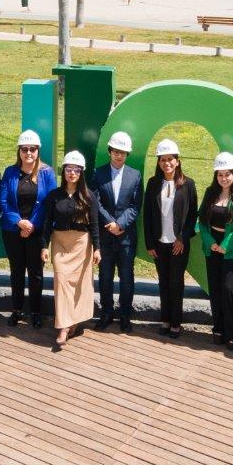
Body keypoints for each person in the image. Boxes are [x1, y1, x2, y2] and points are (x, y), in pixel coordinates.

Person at [42, 151, 102, 350]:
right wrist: (44, 246)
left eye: (76, 170)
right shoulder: (54, 196)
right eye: (69, 169)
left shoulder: (88, 197)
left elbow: (94, 224)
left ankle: (72, 322)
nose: (72, 173)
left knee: (79, 284)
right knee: (61, 281)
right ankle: (63, 327)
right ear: (64, 172)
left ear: (81, 173)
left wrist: (97, 248)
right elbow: (47, 223)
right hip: (59, 242)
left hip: (81, 244)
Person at [195, 152, 233, 351]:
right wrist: (210, 241)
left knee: (228, 289)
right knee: (215, 288)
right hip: (212, 248)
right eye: (220, 174)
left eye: (228, 174)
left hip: (232, 250)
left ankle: (232, 332)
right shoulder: (210, 193)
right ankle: (218, 328)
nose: (224, 178)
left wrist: (226, 244)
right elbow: (201, 220)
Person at [0, 130, 57, 327]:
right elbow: (4, 201)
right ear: (19, 151)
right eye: (25, 149)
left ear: (38, 150)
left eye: (32, 149)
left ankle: (35, 311)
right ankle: (16, 310)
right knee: (16, 271)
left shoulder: (47, 173)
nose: (28, 153)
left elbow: (49, 203)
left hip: (36, 231)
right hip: (13, 230)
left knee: (36, 272)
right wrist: (19, 222)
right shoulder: (10, 172)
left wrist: (31, 225)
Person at [142, 138, 198, 338]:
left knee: (176, 282)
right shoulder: (153, 183)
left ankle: (176, 323)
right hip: (159, 243)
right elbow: (147, 215)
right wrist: (150, 243)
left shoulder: (188, 184)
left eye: (170, 159)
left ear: (177, 161)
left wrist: (182, 238)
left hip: (178, 244)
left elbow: (193, 215)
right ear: (158, 162)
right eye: (163, 159)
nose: (167, 163)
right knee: (163, 282)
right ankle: (165, 320)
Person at [91, 131, 142, 333]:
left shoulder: (135, 175)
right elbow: (96, 202)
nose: (119, 155)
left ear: (127, 154)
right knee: (105, 276)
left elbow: (135, 206)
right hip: (105, 235)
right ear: (110, 151)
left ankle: (125, 315)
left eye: (123, 152)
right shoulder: (98, 173)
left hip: (126, 236)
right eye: (116, 151)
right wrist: (110, 223)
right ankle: (106, 313)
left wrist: (120, 224)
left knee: (127, 277)